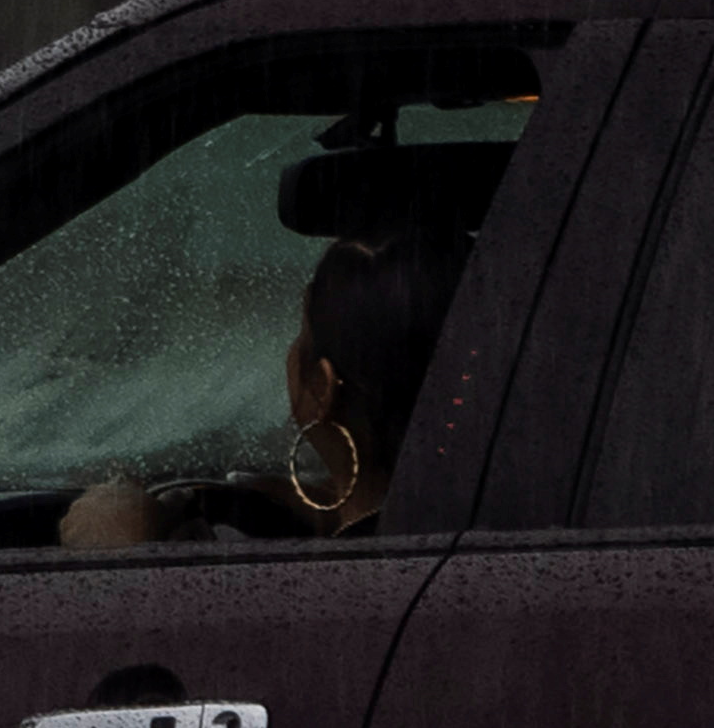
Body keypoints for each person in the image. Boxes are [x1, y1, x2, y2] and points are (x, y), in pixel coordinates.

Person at [61, 216, 475, 550]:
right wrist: (332, 507)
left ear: (323, 387)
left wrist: (122, 551)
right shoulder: (488, 517)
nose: (291, 352)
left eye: (302, 334)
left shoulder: (359, 572)